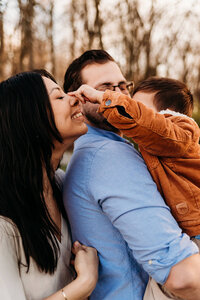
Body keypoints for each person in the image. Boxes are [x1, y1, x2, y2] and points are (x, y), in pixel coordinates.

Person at [63, 49, 200, 300]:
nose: (117, 95)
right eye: (104, 88)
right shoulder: (109, 156)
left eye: (122, 86)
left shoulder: (93, 153)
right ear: (80, 98)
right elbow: (184, 277)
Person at [0, 70, 98, 300]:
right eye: (59, 96)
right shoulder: (4, 222)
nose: (75, 97)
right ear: (29, 118)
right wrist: (84, 283)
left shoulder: (64, 186)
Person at [68, 77, 200, 242]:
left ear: (164, 113)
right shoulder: (156, 143)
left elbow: (148, 123)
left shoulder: (181, 132)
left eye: (140, 108)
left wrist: (102, 98)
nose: (131, 111)